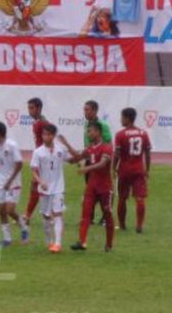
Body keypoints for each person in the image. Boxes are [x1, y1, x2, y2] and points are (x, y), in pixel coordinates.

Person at [59, 125, 115, 253]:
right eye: (87, 131)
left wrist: (86, 169)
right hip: (92, 186)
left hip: (105, 187)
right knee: (86, 212)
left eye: (90, 131)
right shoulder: (89, 149)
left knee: (107, 214)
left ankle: (109, 244)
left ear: (98, 132)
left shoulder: (107, 147)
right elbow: (76, 158)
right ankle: (82, 242)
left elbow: (103, 164)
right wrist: (65, 145)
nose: (88, 134)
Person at [0, 121, 30, 247]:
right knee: (1, 210)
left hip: (13, 183)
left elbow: (19, 164)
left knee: (9, 210)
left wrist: (9, 181)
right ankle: (7, 238)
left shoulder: (12, 145)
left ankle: (24, 228)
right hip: (2, 184)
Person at [30, 124, 73, 253]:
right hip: (44, 189)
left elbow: (72, 160)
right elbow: (34, 170)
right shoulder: (38, 152)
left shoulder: (61, 149)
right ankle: (49, 241)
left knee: (58, 214)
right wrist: (40, 182)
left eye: (48, 134)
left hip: (58, 188)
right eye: (44, 134)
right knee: (46, 217)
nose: (45, 137)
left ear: (53, 136)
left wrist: (71, 148)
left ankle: (57, 243)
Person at [114, 107, 151, 233]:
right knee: (140, 198)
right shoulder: (143, 133)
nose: (121, 120)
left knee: (122, 198)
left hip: (124, 170)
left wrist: (113, 168)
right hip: (139, 170)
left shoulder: (120, 134)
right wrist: (148, 169)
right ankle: (139, 225)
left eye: (122, 117)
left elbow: (117, 154)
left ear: (127, 118)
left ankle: (122, 225)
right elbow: (147, 152)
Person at [24, 97, 49, 222]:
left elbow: (49, 141)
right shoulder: (37, 122)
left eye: (32, 108)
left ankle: (28, 216)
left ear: (39, 108)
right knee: (37, 186)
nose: (29, 111)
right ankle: (28, 215)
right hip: (39, 158)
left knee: (39, 186)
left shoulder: (43, 123)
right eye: (28, 108)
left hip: (44, 159)